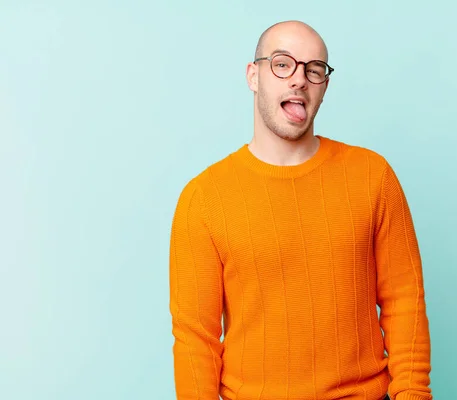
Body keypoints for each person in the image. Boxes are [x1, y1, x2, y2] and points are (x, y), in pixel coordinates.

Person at [169, 20, 433, 400]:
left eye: (314, 69)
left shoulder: (373, 176)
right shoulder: (204, 197)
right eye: (282, 64)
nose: (299, 80)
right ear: (253, 76)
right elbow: (196, 337)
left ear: (324, 87)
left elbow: (405, 299)